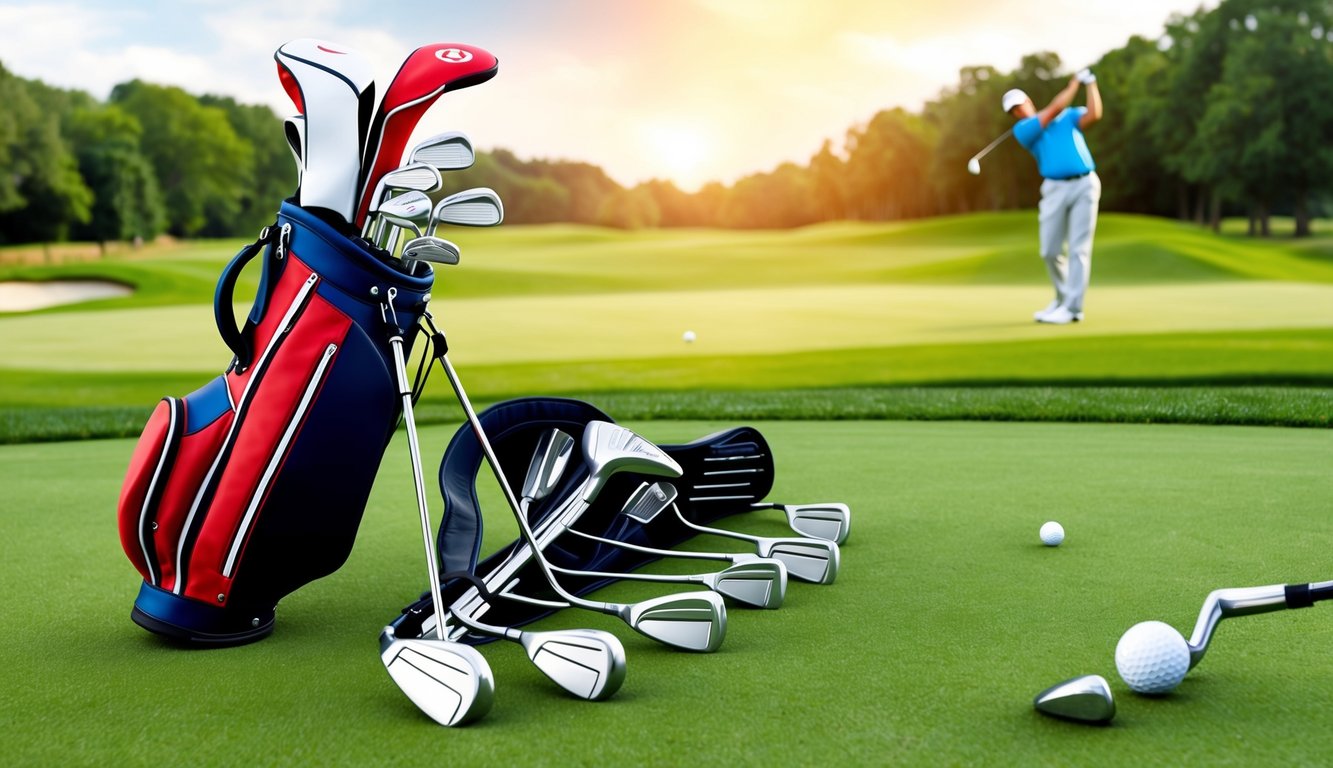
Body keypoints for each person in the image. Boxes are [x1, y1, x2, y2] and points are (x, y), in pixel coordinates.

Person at [1002, 69, 1102, 324]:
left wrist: (1091, 85)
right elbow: (1056, 107)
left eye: (1019, 105)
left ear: (1029, 101)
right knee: (1049, 250)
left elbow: (1094, 114)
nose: (1017, 111)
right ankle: (1062, 299)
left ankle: (1072, 309)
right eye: (1012, 111)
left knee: (1079, 249)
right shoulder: (1024, 130)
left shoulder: (1068, 117)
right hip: (1055, 189)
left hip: (1085, 184)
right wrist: (1074, 83)